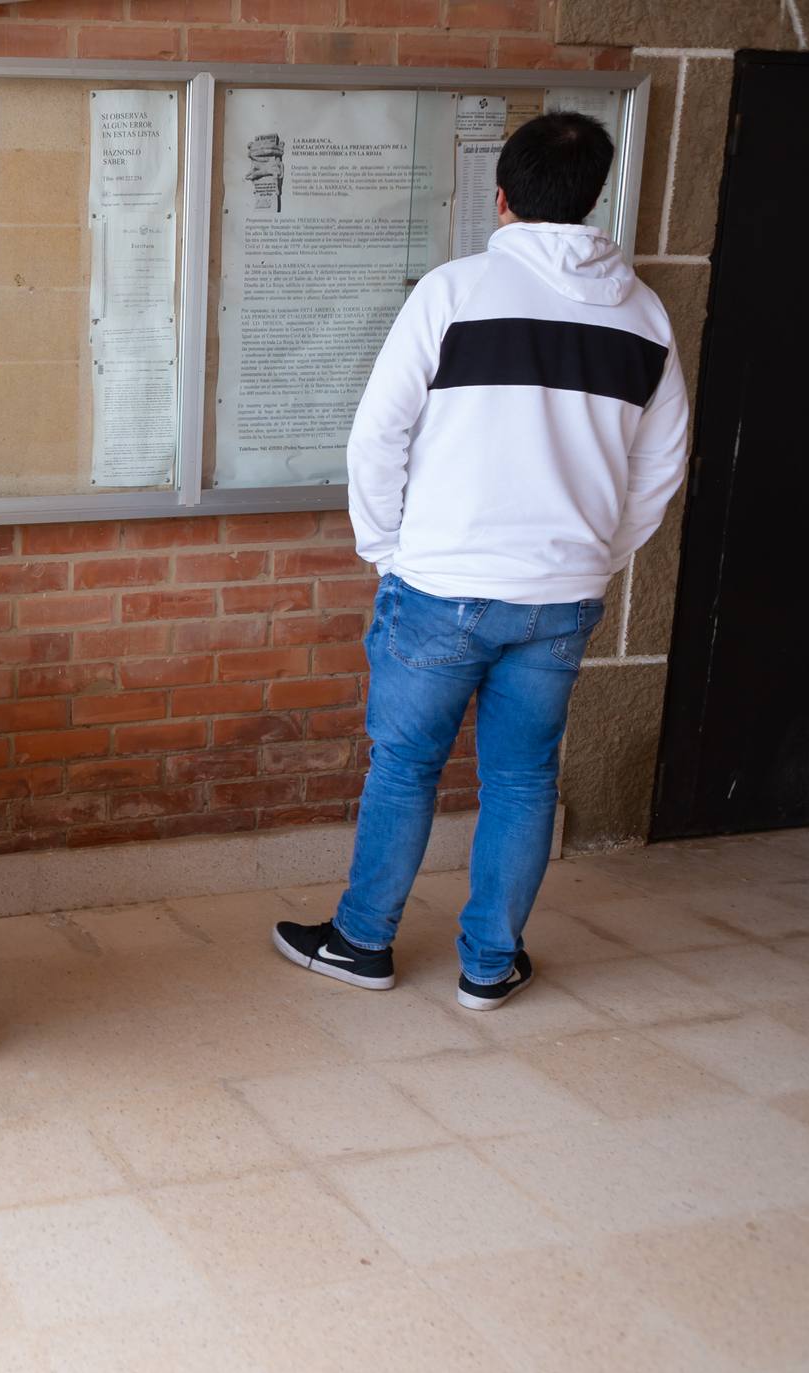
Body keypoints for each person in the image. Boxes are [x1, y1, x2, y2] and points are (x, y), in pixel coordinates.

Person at [272, 112, 690, 1010]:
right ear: (591, 201)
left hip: (439, 585)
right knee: (522, 777)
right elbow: (660, 469)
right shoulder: (645, 315)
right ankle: (488, 965)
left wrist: (388, 550)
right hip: (561, 595)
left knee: (404, 767)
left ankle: (362, 942)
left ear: (500, 199)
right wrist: (594, 559)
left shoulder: (455, 291)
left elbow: (376, 435)